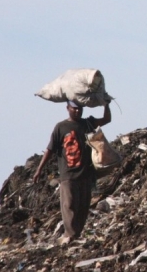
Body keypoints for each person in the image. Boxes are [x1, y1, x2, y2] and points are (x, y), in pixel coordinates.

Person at [33, 100, 111, 244]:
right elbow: (49, 149)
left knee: (83, 206)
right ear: (67, 108)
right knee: (69, 205)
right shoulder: (61, 127)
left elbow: (107, 119)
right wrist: (39, 169)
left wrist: (106, 104)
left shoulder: (87, 123)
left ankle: (76, 234)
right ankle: (70, 234)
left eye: (80, 109)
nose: (77, 111)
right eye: (74, 109)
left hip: (86, 173)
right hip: (68, 174)